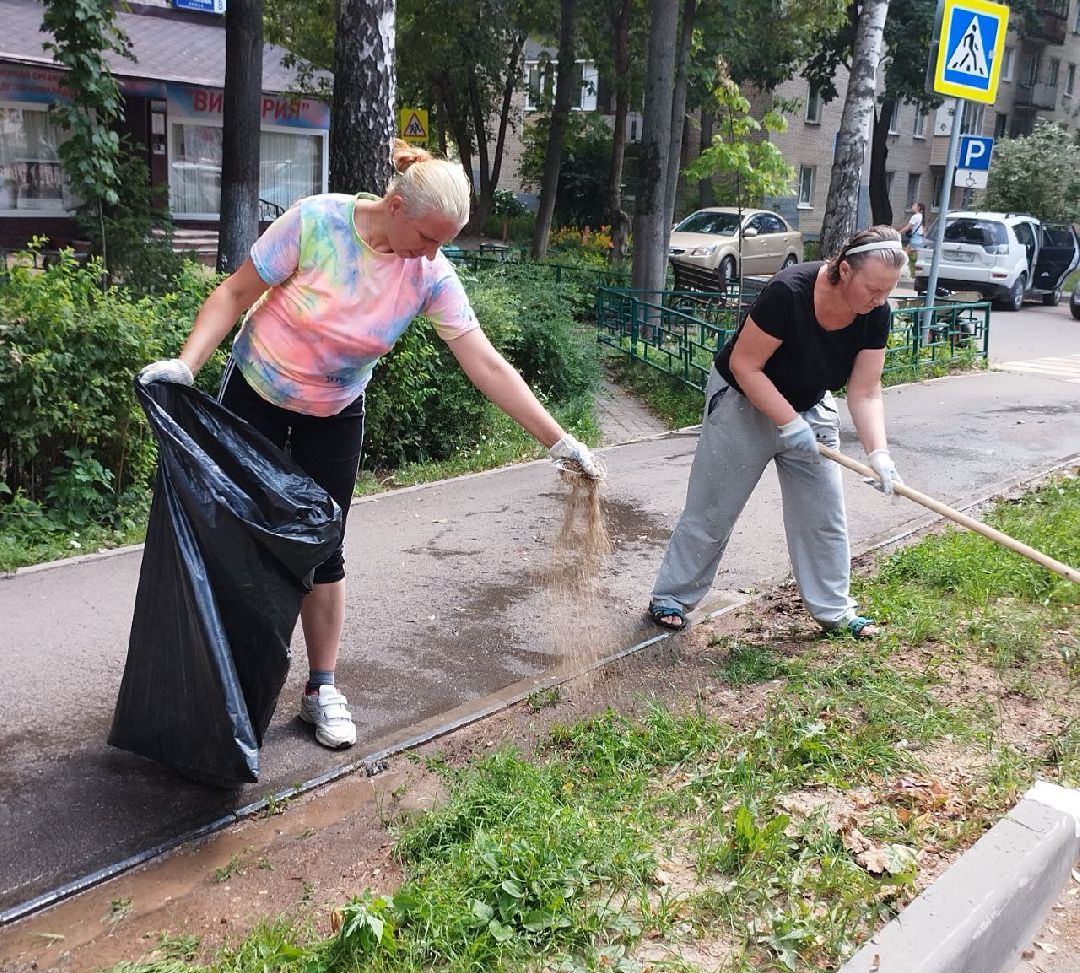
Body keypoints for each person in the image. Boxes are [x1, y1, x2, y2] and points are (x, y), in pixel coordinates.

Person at [139, 139, 600, 751]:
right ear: (395, 205)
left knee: (324, 549)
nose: (432, 255)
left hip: (335, 413)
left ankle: (320, 689)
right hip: (256, 395)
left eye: (445, 244)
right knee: (237, 543)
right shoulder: (316, 223)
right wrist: (188, 365)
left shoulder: (430, 274)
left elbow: (484, 363)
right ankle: (219, 688)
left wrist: (558, 439)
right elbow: (234, 294)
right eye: (428, 238)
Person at [647, 225, 905, 639]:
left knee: (823, 515)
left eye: (887, 291)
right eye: (873, 289)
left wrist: (879, 454)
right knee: (713, 507)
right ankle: (672, 597)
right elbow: (744, 366)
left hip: (808, 406)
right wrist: (787, 422)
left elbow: (866, 390)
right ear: (844, 270)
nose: (880, 300)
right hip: (742, 404)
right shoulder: (789, 293)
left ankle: (835, 611)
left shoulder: (876, 314)